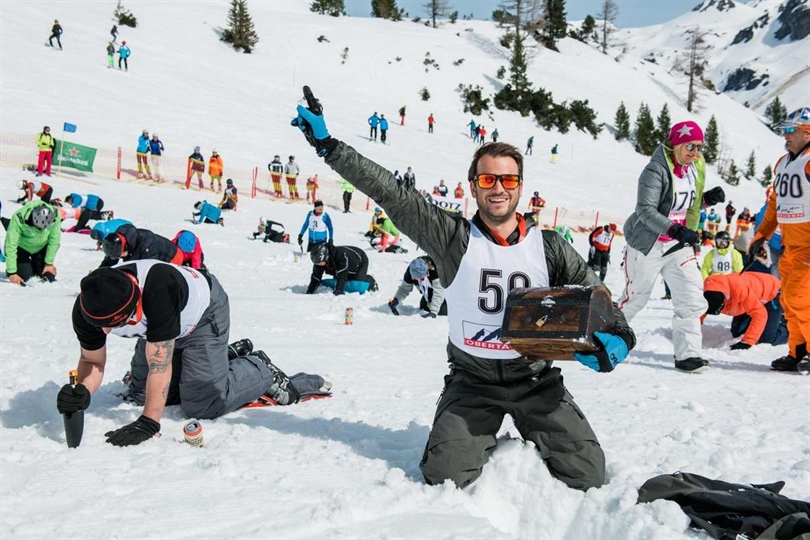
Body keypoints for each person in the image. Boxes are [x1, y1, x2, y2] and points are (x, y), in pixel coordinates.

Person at [291, 86, 635, 491]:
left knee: (587, 474)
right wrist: (329, 146)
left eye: (508, 179)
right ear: (473, 186)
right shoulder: (452, 237)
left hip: (535, 380)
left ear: (520, 187)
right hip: (473, 381)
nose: (498, 188)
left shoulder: (549, 246)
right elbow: (392, 194)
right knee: (444, 476)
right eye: (488, 178)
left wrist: (620, 338)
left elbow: (601, 301)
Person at [57, 263, 332, 446]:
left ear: (135, 301)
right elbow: (92, 361)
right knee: (141, 394)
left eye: (117, 324)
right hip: (161, 330)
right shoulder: (89, 308)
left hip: (202, 316)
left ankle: (258, 369)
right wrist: (82, 391)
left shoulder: (158, 290)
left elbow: (160, 364)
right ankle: (219, 360)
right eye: (100, 325)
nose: (105, 330)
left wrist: (148, 423)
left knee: (201, 404)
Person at [618, 120, 726, 373]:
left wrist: (706, 200)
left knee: (691, 298)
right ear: (675, 144)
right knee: (636, 298)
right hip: (649, 245)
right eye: (690, 146)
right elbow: (645, 210)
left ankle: (688, 355)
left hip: (678, 246)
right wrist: (675, 229)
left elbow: (684, 204)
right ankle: (605, 342)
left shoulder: (694, 167)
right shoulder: (654, 171)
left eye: (699, 147)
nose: (695, 153)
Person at [749, 107, 810, 373]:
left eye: (790, 130)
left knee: (800, 297)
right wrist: (761, 234)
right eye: (783, 130)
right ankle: (797, 352)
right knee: (788, 301)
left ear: (807, 132)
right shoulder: (784, 163)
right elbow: (775, 204)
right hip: (789, 245)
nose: (784, 135)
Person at [703, 272, 787, 349]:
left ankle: (788, 325)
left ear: (724, 301)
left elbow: (759, 313)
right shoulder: (705, 293)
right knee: (738, 332)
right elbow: (697, 311)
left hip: (771, 293)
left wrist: (748, 342)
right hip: (749, 300)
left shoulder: (740, 290)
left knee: (767, 338)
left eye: (720, 310)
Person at [2, 201, 60, 285]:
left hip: (41, 246)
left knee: (45, 275)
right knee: (26, 277)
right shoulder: (19, 217)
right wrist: (12, 272)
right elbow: (11, 244)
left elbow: (54, 240)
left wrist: (49, 263)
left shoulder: (56, 215)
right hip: (22, 247)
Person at [306, 242, 376, 295]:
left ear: (325, 257)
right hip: (340, 267)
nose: (317, 265)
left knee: (357, 285)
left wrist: (338, 291)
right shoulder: (320, 262)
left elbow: (342, 274)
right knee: (342, 281)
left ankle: (370, 281)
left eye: (319, 263)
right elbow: (316, 277)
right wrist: (310, 292)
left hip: (359, 261)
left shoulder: (341, 255)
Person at [100, 223, 183, 267]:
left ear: (125, 247)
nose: (119, 258)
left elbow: (150, 269)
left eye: (119, 255)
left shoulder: (146, 246)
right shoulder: (117, 243)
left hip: (174, 257)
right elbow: (110, 260)